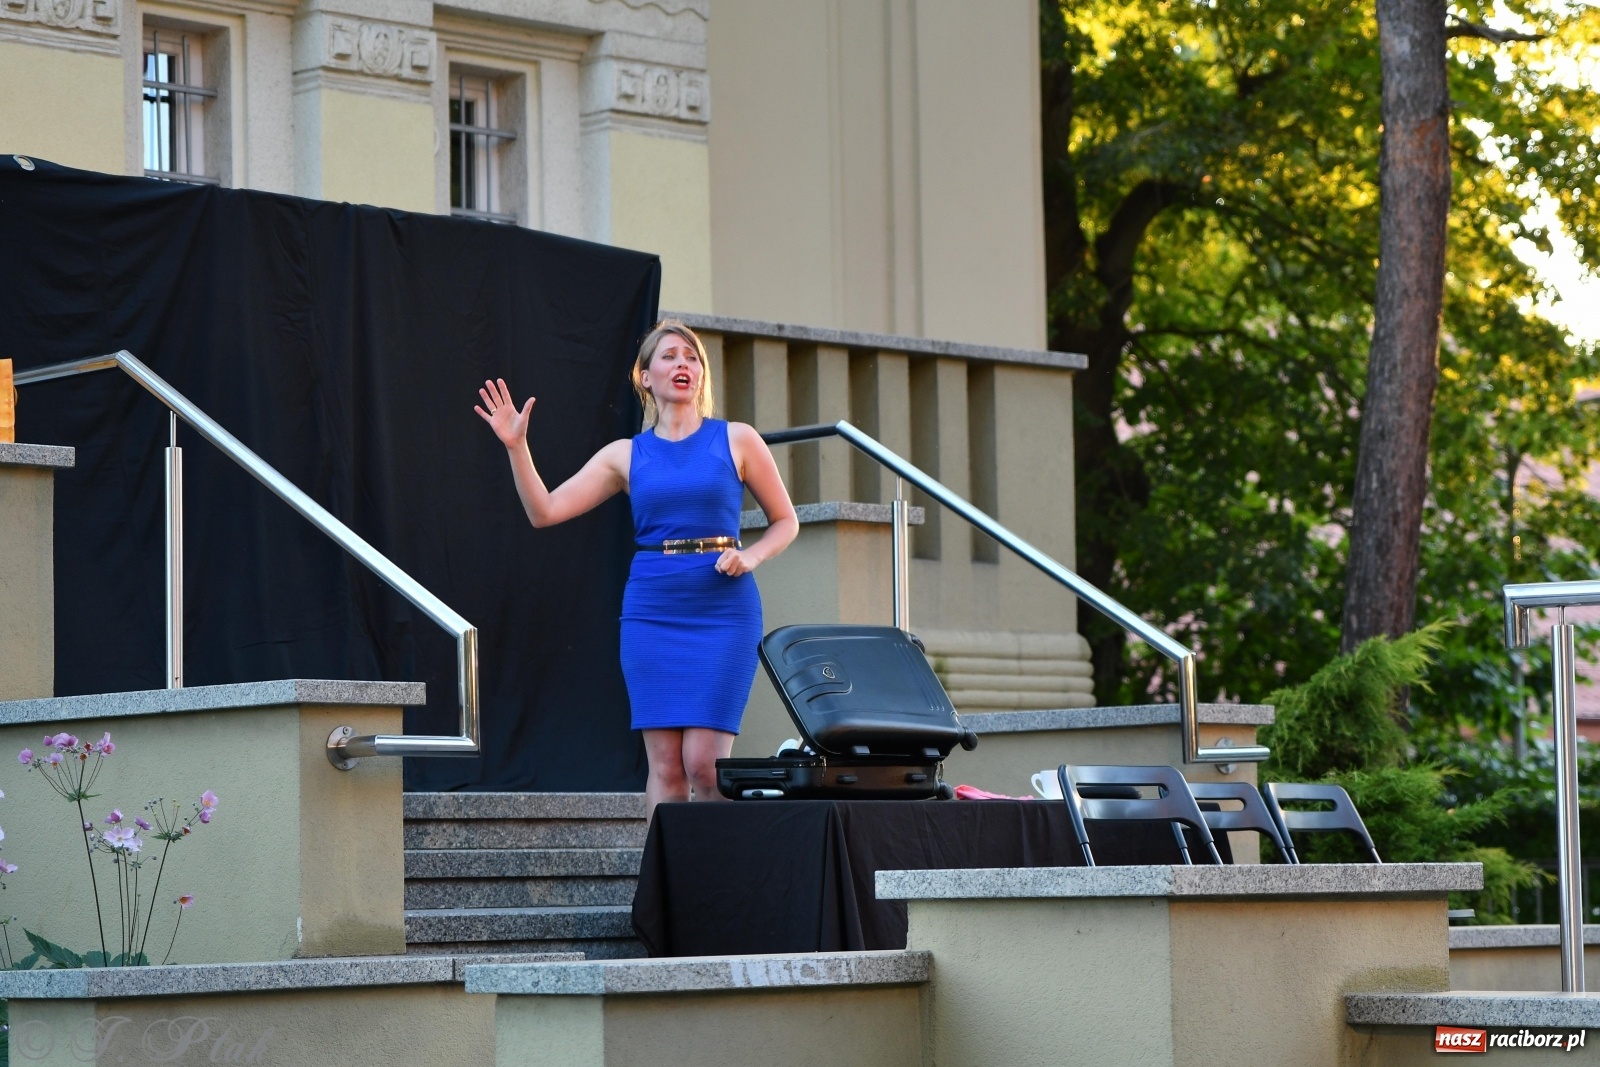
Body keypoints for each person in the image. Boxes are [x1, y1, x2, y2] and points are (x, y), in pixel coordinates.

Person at [475, 319, 799, 818]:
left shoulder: (736, 439)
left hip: (723, 609)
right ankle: (667, 890)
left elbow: (785, 522)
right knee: (667, 768)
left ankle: (719, 888)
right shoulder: (626, 455)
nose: (682, 365)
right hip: (654, 611)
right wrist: (517, 447)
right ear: (645, 377)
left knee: (704, 766)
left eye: (691, 357)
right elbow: (544, 511)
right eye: (669, 356)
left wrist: (750, 555)